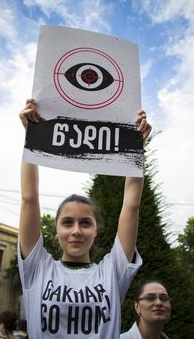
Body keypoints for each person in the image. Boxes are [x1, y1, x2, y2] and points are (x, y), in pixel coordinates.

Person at [18, 99, 152, 339]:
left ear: (96, 230)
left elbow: (131, 205)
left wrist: (136, 147)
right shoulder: (37, 267)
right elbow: (29, 199)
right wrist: (32, 136)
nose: (76, 231)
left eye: (85, 223)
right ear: (55, 229)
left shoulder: (112, 272)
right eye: (67, 222)